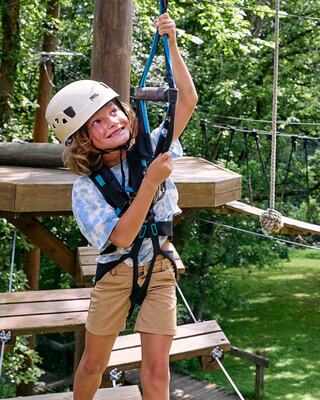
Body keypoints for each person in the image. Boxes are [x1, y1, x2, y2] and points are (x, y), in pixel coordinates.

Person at [46, 13, 197, 400]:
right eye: (97, 122)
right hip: (115, 273)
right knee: (94, 363)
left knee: (158, 369)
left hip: (160, 266)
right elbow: (123, 234)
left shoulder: (150, 147)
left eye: (114, 110)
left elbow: (188, 101)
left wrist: (172, 45)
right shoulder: (85, 189)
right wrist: (151, 182)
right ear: (81, 140)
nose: (112, 121)